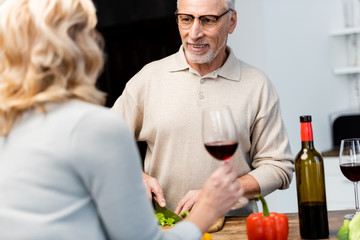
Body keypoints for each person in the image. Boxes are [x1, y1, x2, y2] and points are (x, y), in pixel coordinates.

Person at [0, 0, 244, 239]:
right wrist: (207, 211)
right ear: (69, 48)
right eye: (87, 31)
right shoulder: (96, 127)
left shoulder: (7, 124)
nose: (97, 40)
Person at [112, 0, 294, 215]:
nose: (194, 33)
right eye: (186, 19)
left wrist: (220, 192)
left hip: (236, 229)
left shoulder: (257, 85)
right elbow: (101, 145)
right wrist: (135, 176)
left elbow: (279, 167)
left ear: (231, 21)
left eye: (208, 20)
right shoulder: (148, 79)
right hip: (166, 228)